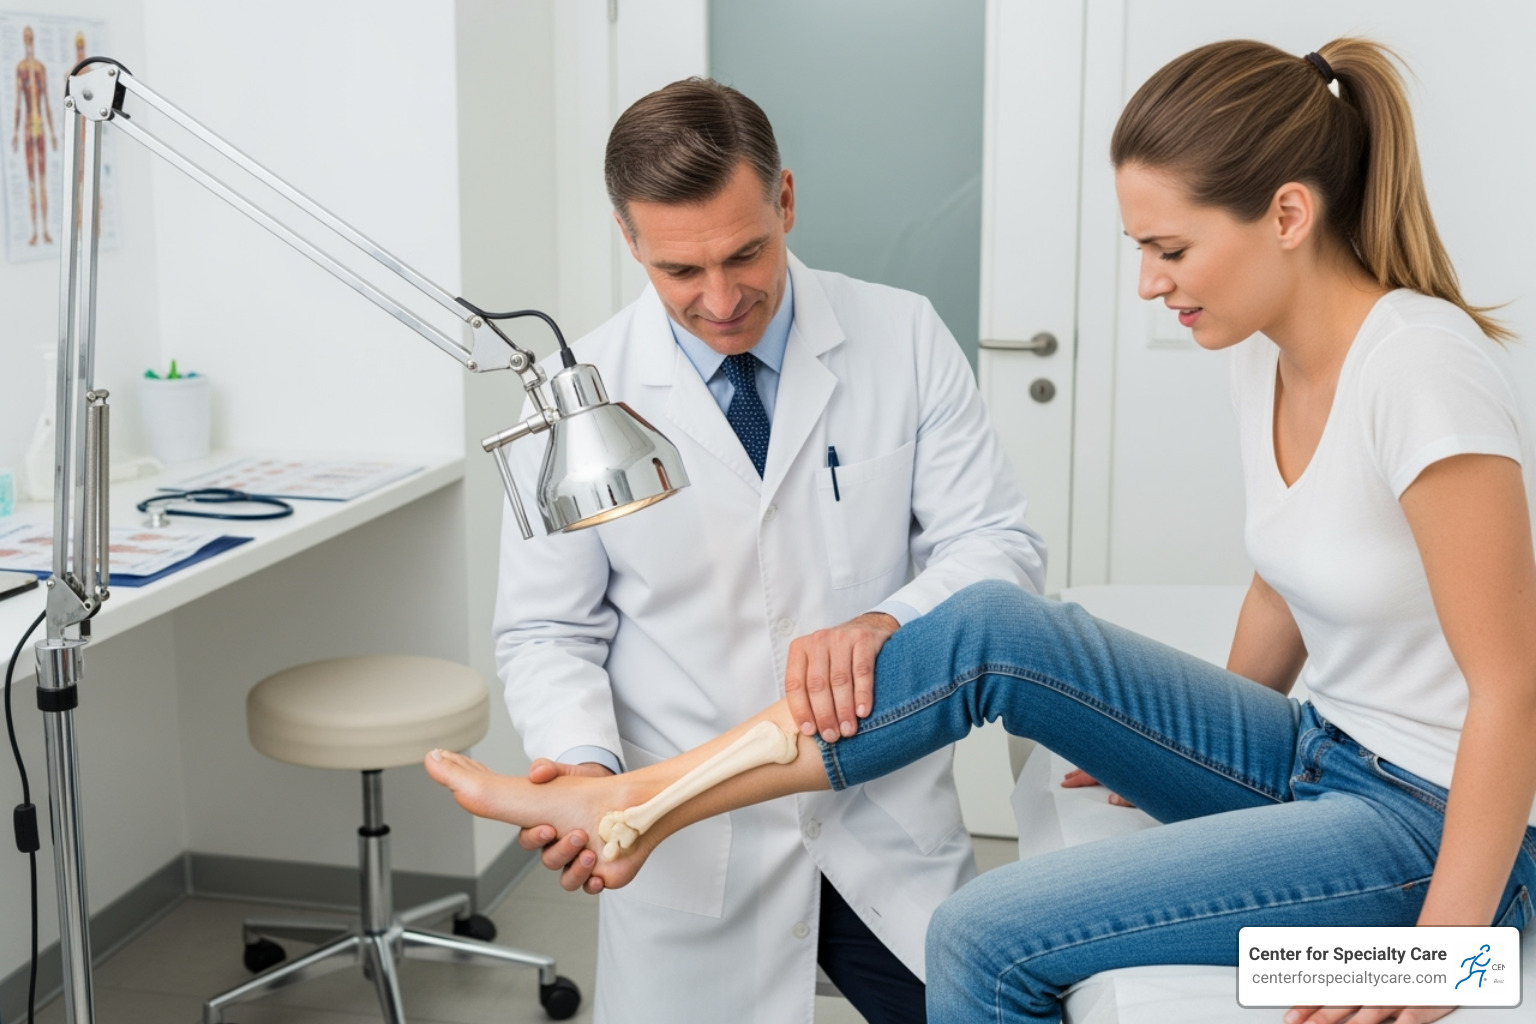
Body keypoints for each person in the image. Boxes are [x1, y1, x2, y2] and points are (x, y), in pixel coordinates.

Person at [440, 39, 1536, 1024]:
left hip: (1420, 816)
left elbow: (1513, 681)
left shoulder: (1422, 367)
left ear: (1286, 216)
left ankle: (642, 798)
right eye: (680, 271)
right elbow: (1285, 578)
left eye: (1168, 248)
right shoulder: (1268, 353)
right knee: (1000, 630)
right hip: (1318, 755)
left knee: (981, 934)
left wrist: (1445, 961)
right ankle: (632, 790)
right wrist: (1165, 758)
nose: (1149, 283)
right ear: (631, 244)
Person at [491, 77, 1047, 1024]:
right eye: (679, 272)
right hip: (695, 846)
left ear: (785, 200)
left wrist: (886, 621)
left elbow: (1000, 548)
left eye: (746, 253)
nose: (719, 300)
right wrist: (585, 771)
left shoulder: (901, 335)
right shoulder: (573, 402)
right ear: (630, 241)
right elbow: (547, 631)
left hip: (883, 821)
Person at [11, 24, 57, 246]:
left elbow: (47, 100)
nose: (28, 41)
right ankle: (35, 230)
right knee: (31, 180)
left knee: (43, 180)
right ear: (23, 40)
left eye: (30, 37)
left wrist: (54, 132)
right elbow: (18, 104)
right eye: (25, 37)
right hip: (29, 126)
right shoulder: (20, 68)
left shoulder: (40, 67)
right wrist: (15, 132)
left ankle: (46, 229)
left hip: (40, 127)